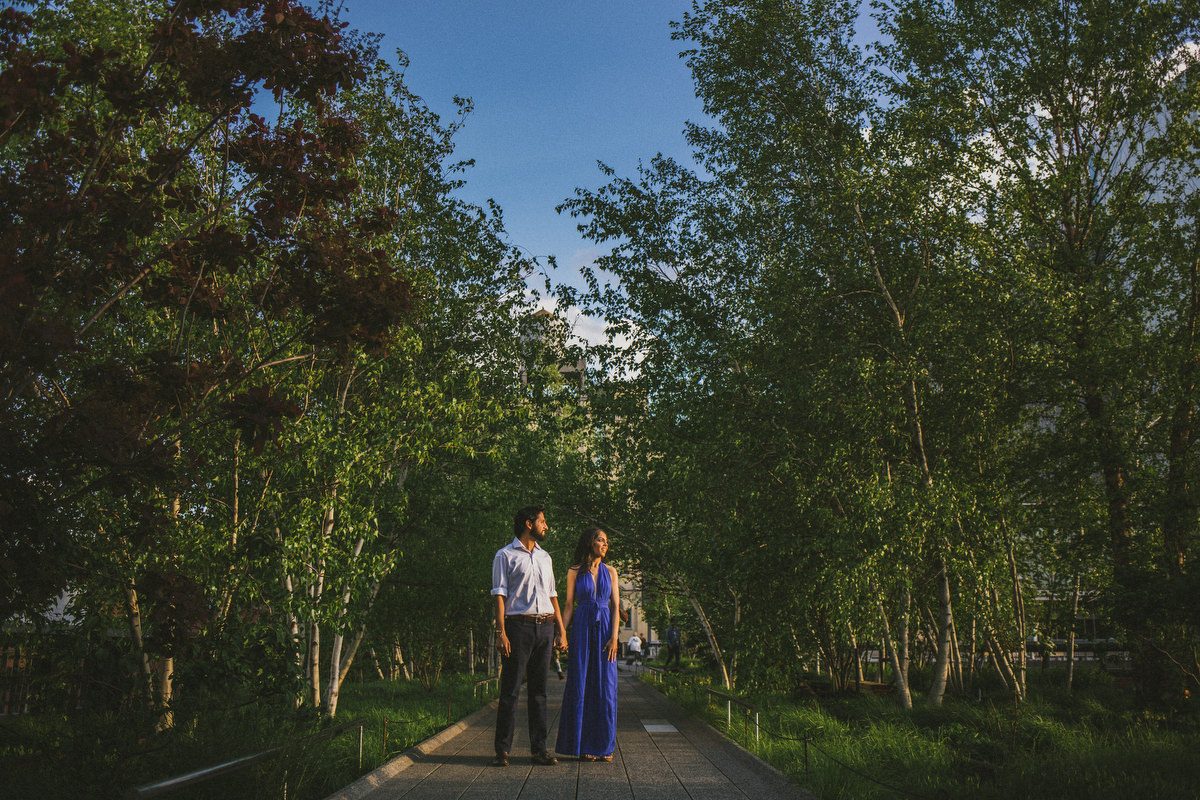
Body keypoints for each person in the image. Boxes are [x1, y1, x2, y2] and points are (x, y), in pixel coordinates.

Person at [491, 506, 567, 767]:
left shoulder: (545, 557)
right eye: (543, 521)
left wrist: (561, 629)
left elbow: (553, 594)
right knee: (510, 690)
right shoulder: (505, 555)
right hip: (518, 627)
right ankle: (502, 751)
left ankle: (539, 750)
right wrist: (501, 633)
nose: (546, 526)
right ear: (528, 523)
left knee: (539, 692)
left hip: (545, 627)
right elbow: (500, 596)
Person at [555, 526, 620, 762]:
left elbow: (615, 607)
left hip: (605, 631)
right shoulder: (574, 572)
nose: (605, 544)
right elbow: (569, 604)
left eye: (607, 542)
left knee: (606, 687)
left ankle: (604, 746)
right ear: (590, 542)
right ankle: (583, 745)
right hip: (582, 628)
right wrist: (562, 632)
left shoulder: (611, 571)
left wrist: (614, 637)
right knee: (581, 684)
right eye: (601, 540)